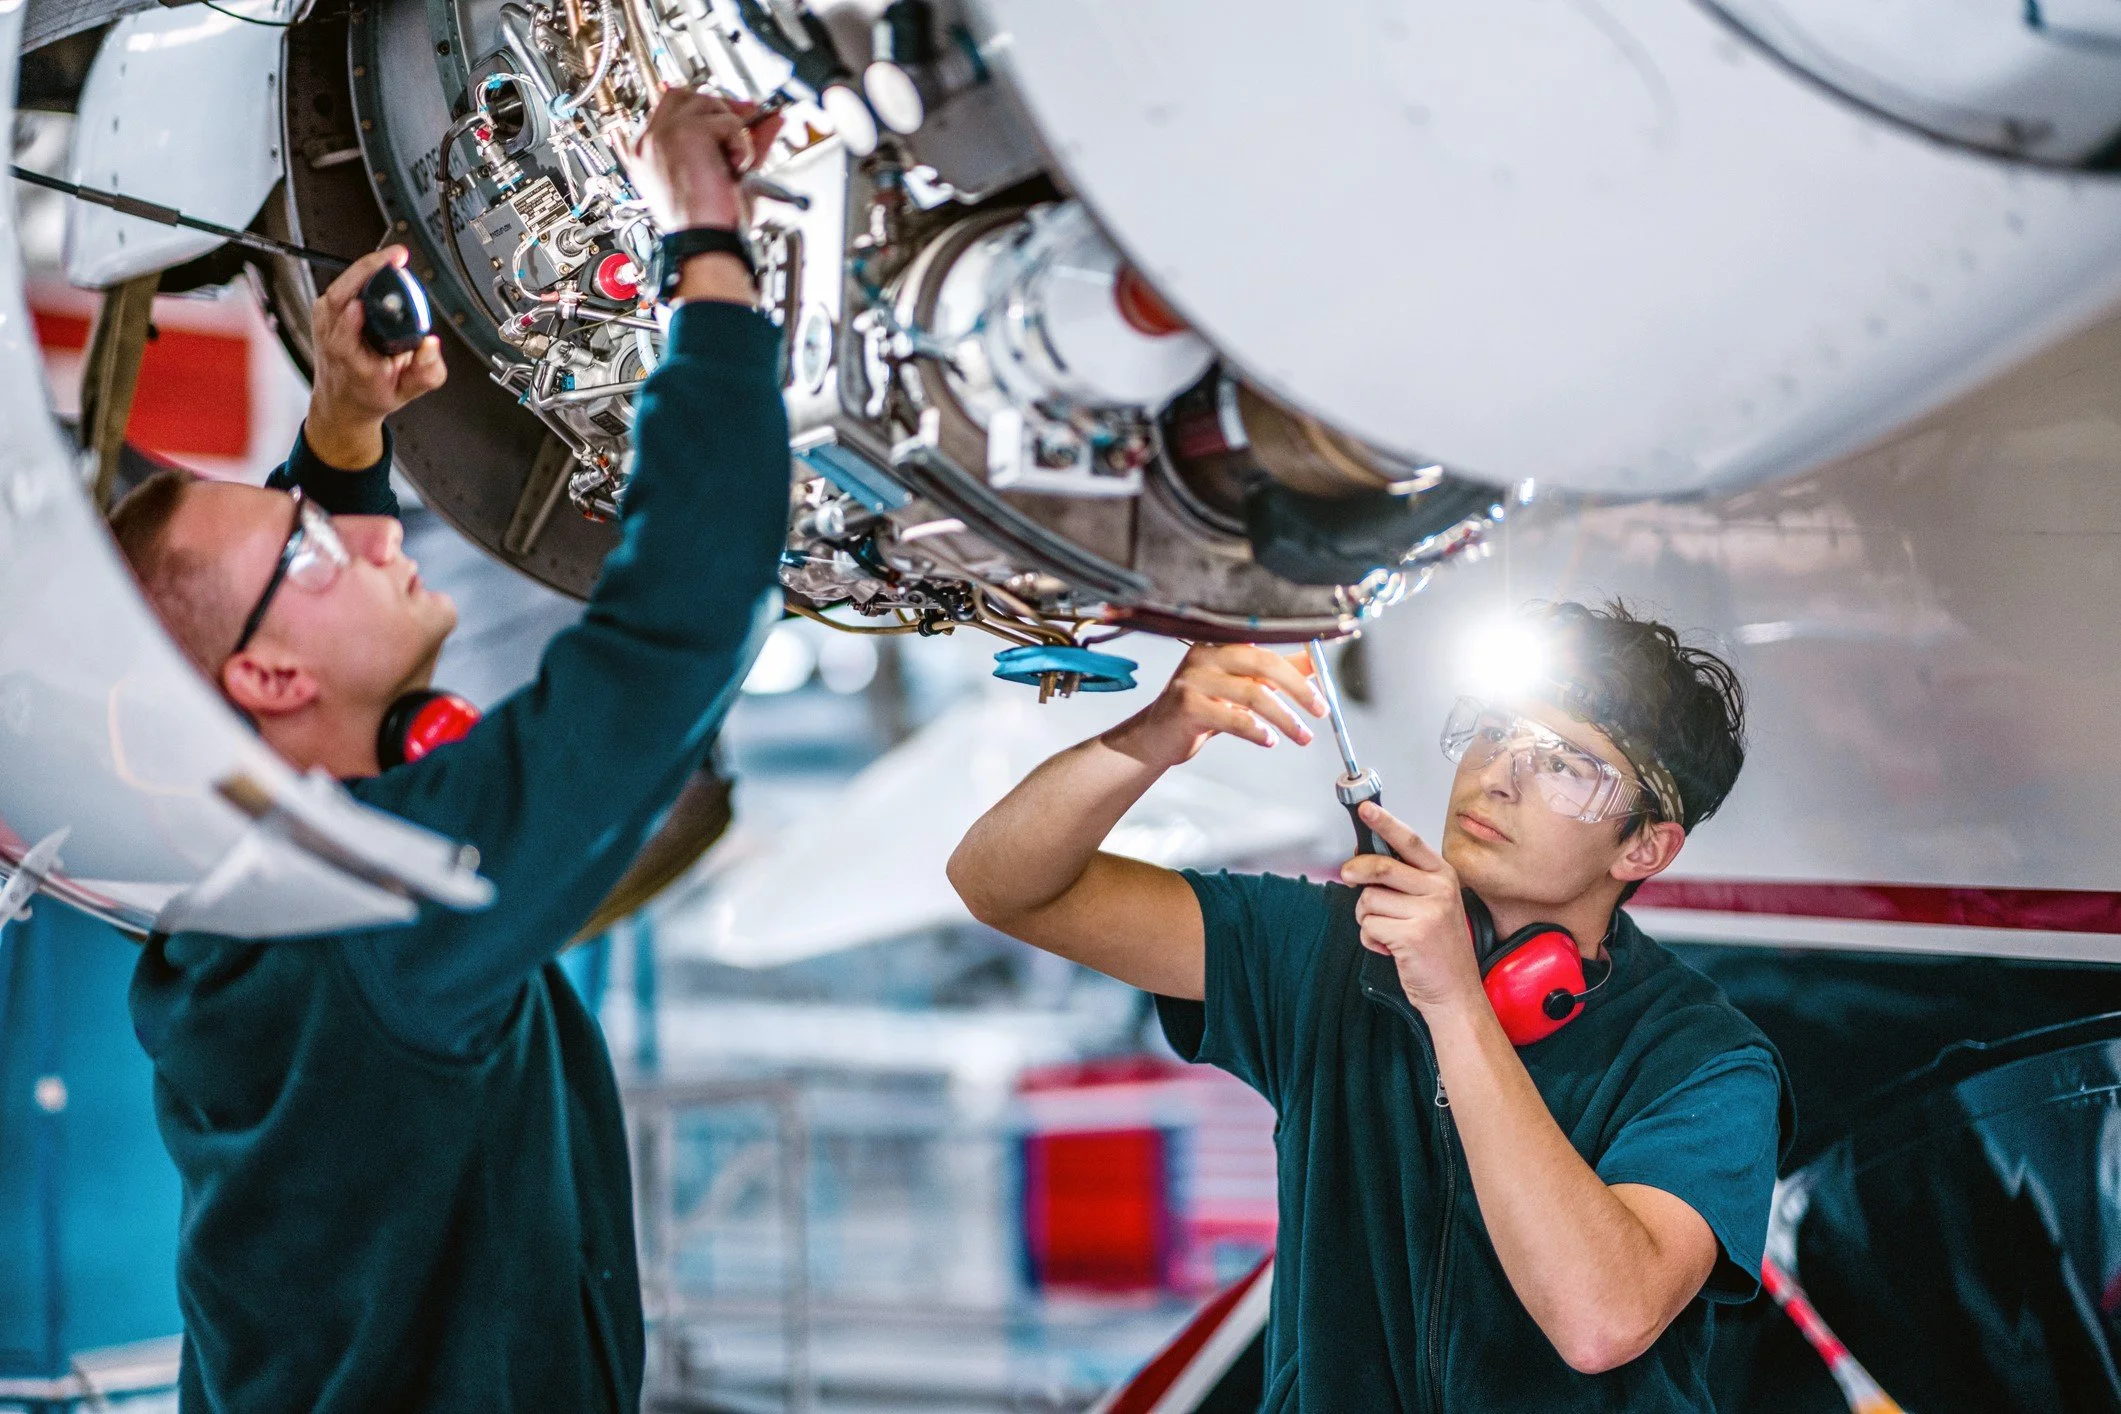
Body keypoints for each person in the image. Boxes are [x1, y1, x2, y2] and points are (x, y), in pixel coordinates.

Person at [104, 91, 787, 1413]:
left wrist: (345, 429)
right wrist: (705, 240)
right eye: (311, 538)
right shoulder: (363, 921)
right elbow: (678, 632)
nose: (382, 531)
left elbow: (311, 641)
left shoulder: (267, 904)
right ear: (266, 678)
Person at [949, 606, 1795, 1411]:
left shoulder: (1707, 1064)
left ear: (1645, 846)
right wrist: (1155, 736)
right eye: (1497, 730)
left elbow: (1600, 1322)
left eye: (1564, 764)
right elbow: (1003, 886)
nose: (1498, 776)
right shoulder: (1327, 947)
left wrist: (1454, 1002)